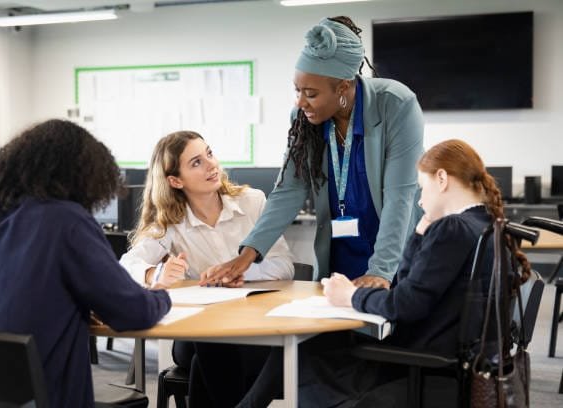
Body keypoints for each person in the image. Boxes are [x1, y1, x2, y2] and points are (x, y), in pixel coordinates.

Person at [237, 139, 531, 407]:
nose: (419, 200)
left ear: (442, 179)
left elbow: (403, 303)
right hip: (451, 360)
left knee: (303, 350)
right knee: (315, 345)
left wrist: (350, 295)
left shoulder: (453, 228)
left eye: (422, 187)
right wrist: (417, 233)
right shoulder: (487, 226)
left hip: (420, 363)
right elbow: (407, 288)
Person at [0, 119, 171, 408]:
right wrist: (163, 295)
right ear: (82, 175)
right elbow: (133, 312)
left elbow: (21, 289)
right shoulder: (65, 220)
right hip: (48, 396)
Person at [201, 16, 424, 289]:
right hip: (340, 257)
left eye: (311, 93)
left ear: (343, 86)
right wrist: (248, 254)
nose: (301, 101)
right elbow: (288, 190)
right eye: (297, 90)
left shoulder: (395, 104)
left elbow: (400, 195)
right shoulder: (304, 119)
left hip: (393, 258)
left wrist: (381, 271)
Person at [119, 130, 294, 407]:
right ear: (175, 180)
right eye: (196, 162)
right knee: (213, 344)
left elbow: (285, 266)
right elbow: (127, 264)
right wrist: (156, 274)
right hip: (197, 334)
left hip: (252, 328)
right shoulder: (171, 222)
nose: (212, 165)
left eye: (209, 153)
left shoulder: (253, 203)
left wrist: (241, 271)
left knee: (210, 359)